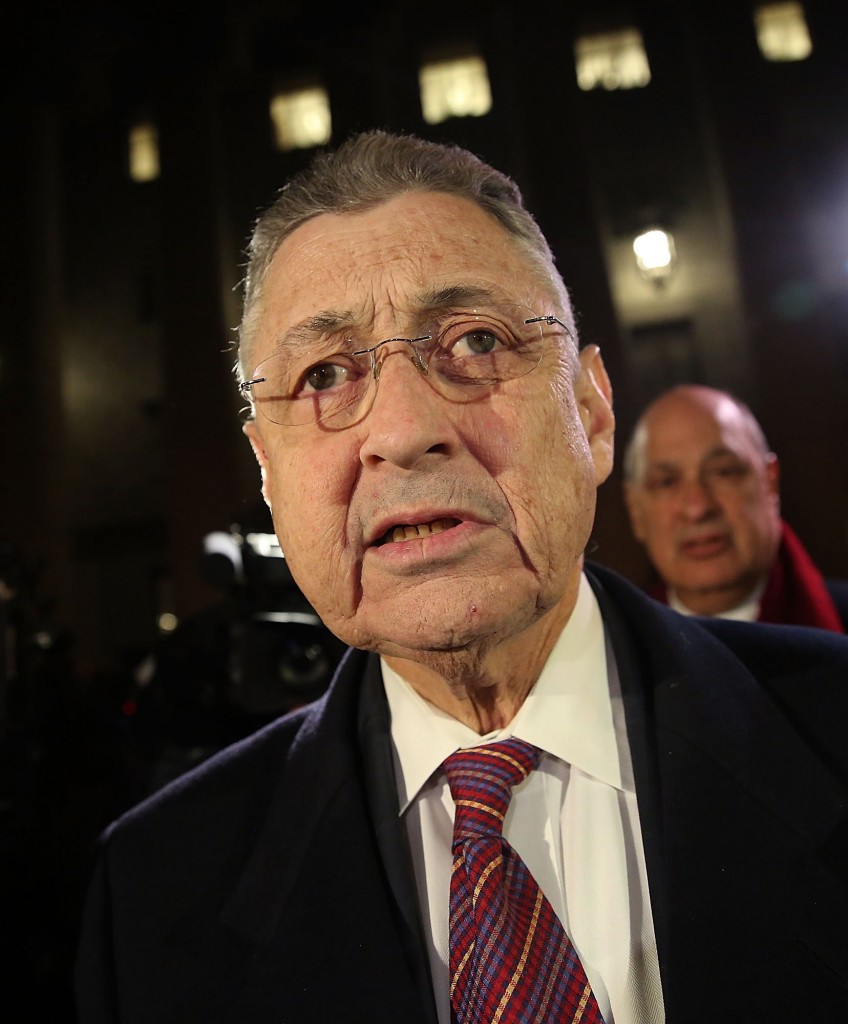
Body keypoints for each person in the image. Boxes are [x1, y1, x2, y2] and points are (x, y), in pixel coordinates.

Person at [74, 130, 848, 1024]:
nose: (403, 430)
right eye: (323, 373)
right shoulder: (152, 894)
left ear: (591, 414)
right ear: (265, 473)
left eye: (476, 341)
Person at [622, 383, 848, 630]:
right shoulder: (619, 644)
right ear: (635, 509)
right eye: (666, 483)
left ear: (770, 483)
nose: (697, 508)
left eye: (723, 473)